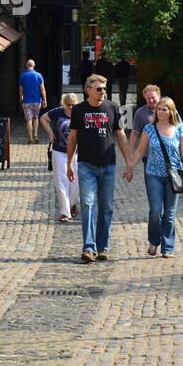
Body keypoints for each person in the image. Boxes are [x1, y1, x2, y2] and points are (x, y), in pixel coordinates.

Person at [66, 74, 134, 263]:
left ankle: (103, 247)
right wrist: (69, 164)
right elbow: (72, 138)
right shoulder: (79, 110)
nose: (103, 92)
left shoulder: (113, 108)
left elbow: (121, 137)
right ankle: (89, 247)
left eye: (104, 88)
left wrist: (129, 162)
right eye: (99, 89)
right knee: (87, 204)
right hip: (86, 164)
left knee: (106, 207)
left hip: (108, 165)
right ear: (88, 90)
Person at [125, 96, 183, 257]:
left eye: (164, 109)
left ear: (171, 111)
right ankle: (154, 241)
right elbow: (140, 151)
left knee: (170, 212)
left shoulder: (180, 129)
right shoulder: (149, 129)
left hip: (174, 175)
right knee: (156, 211)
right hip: (153, 174)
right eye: (159, 109)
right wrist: (130, 167)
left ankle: (168, 248)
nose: (161, 112)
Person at [40, 93, 80, 222]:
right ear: (64, 104)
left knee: (76, 182)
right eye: (68, 105)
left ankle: (73, 202)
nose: (71, 108)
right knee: (61, 181)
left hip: (77, 152)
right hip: (59, 151)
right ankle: (65, 212)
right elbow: (43, 118)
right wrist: (50, 134)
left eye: (73, 105)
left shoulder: (80, 113)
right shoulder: (58, 112)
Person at [18, 59, 47, 144]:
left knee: (29, 120)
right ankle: (35, 134)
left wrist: (21, 97)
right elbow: (42, 89)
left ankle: (30, 138)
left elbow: (21, 89)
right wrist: (45, 100)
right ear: (34, 66)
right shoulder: (38, 75)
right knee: (36, 118)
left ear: (26, 66)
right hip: (37, 100)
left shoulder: (22, 76)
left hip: (26, 101)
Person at [130, 84, 162, 154]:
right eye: (148, 98)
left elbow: (181, 129)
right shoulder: (140, 112)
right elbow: (135, 133)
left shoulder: (170, 110)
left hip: (169, 156)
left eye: (153, 97)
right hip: (149, 156)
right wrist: (131, 153)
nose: (151, 100)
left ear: (159, 96)